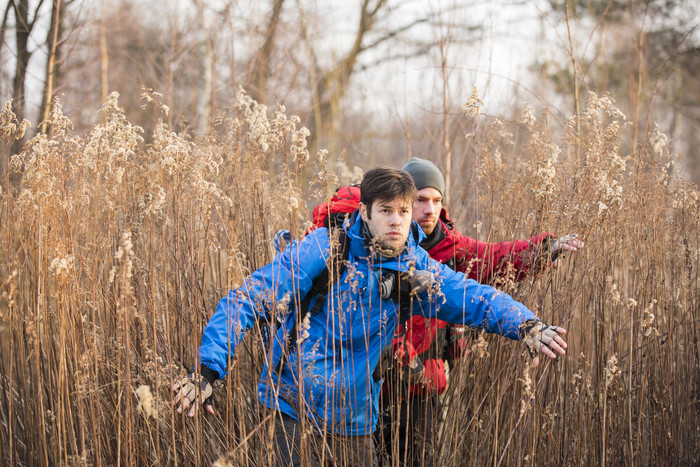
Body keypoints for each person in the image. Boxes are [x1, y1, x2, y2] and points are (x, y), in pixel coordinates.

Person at [172, 167, 568, 467]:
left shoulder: (417, 267)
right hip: (292, 407)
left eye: (402, 210)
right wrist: (207, 371)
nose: (396, 220)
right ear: (365, 212)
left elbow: (476, 299)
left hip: (355, 419)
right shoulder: (326, 247)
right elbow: (249, 298)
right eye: (385, 211)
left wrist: (527, 326)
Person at [375, 158, 584, 466]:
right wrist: (418, 370)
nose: (429, 210)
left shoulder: (452, 248)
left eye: (436, 200)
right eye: (420, 200)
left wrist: (544, 249)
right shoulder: (380, 248)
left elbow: (496, 258)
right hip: (376, 389)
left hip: (422, 397)